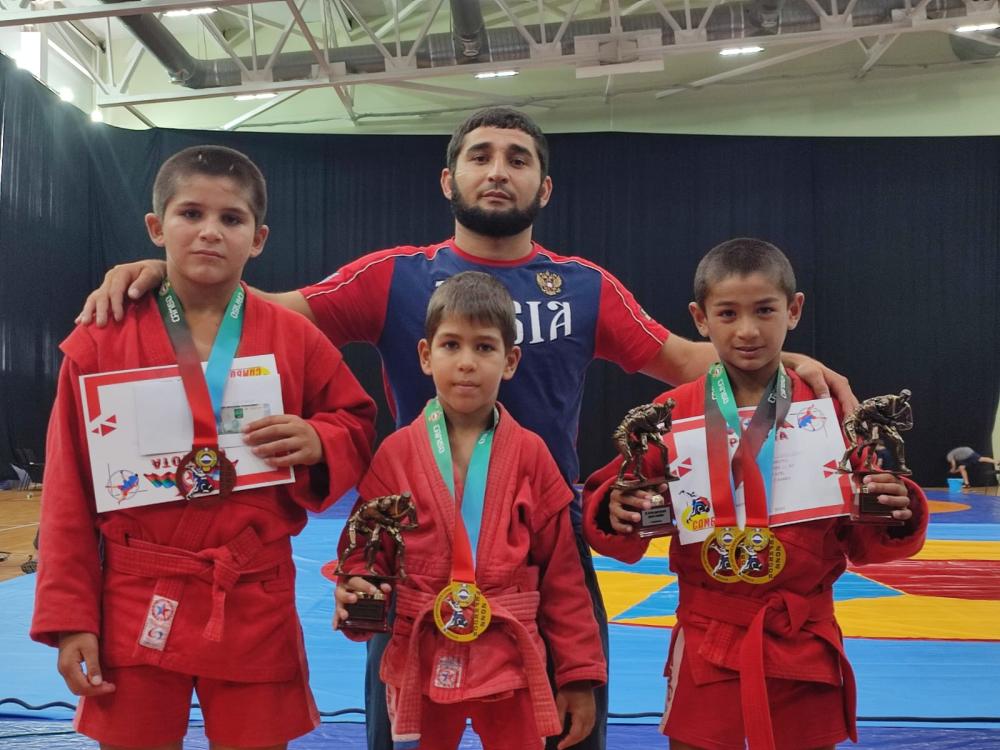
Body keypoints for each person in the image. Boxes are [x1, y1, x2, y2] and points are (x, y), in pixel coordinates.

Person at [75, 107, 856, 750]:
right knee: (406, 728)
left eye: (518, 158)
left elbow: (689, 358)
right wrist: (170, 275)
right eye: (480, 156)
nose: (498, 170)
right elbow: (263, 309)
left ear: (544, 186)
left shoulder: (584, 286)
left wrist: (790, 362)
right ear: (449, 180)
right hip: (414, 549)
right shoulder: (394, 275)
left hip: (542, 545)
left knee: (565, 724)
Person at [31, 145, 377, 750]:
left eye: (231, 218)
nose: (210, 231)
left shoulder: (294, 336)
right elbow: (67, 491)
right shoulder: (102, 337)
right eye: (191, 213)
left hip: (250, 594)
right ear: (156, 226)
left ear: (258, 238)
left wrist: (319, 440)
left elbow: (356, 421)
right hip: (137, 596)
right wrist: (70, 619)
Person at [581, 238, 928, 750]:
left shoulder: (832, 413)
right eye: (728, 313)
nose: (747, 330)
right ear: (700, 319)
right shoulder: (670, 414)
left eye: (765, 310)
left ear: (794, 310)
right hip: (707, 637)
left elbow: (866, 542)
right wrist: (617, 508)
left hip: (802, 639)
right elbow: (615, 513)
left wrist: (897, 509)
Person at [335, 272, 606, 750]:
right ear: (425, 355)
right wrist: (356, 589)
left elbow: (563, 577)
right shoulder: (397, 454)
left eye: (484, 347)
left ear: (510, 361)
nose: (466, 362)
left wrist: (577, 674)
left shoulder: (532, 455)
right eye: (451, 345)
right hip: (420, 650)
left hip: (509, 654)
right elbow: (366, 551)